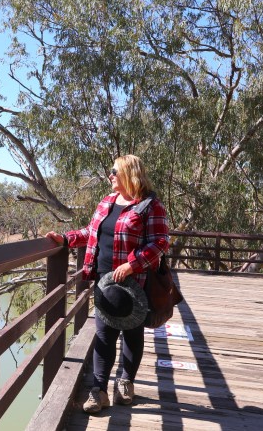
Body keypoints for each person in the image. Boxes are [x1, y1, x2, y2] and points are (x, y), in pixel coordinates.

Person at [46, 154, 169, 414]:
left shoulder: (150, 205)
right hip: (104, 279)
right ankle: (98, 391)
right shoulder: (107, 202)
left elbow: (160, 243)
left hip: (134, 282)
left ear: (129, 174)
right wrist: (65, 239)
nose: (110, 175)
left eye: (115, 171)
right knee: (104, 335)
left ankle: (125, 382)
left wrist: (131, 265)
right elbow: (91, 232)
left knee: (132, 334)